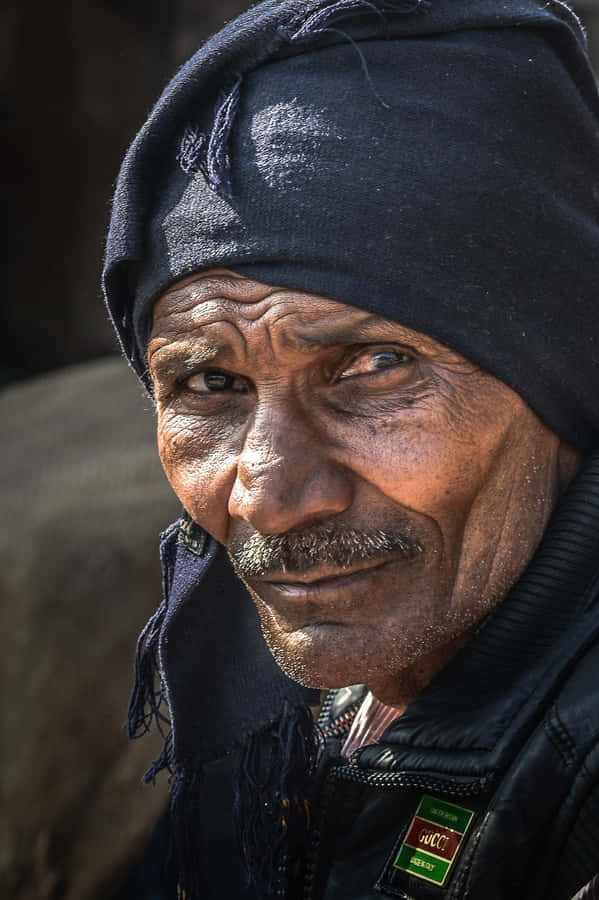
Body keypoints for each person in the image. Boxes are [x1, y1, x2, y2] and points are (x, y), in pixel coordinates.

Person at [103, 0, 599, 897]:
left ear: (559, 373)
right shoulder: (253, 695)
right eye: (209, 384)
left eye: (373, 367)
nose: (268, 498)